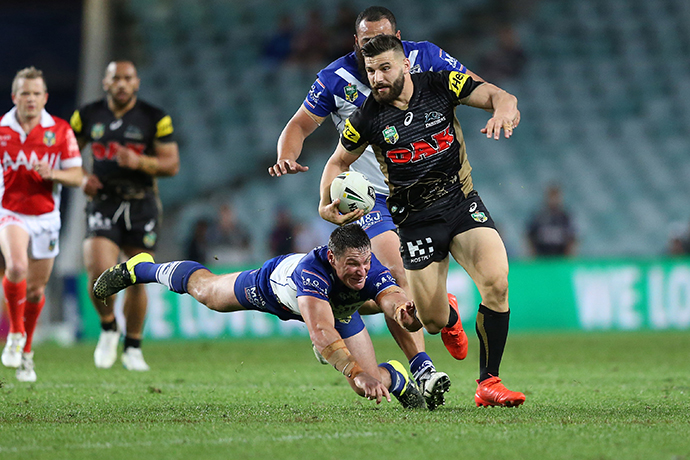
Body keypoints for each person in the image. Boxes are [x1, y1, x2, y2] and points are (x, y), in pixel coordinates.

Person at [270, 6, 472, 409]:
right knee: (395, 272)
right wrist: (287, 155)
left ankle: (443, 312)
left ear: (399, 39)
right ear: (356, 45)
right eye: (365, 44)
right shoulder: (335, 78)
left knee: (398, 288)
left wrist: (499, 103)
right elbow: (299, 125)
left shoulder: (426, 57)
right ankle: (423, 368)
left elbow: (473, 86)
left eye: (384, 41)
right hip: (371, 197)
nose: (374, 50)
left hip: (423, 185)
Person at [318, 34, 526, 408]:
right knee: (428, 322)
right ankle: (447, 315)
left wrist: (504, 108)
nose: (377, 78)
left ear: (406, 66)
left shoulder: (441, 83)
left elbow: (498, 94)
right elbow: (337, 162)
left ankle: (488, 382)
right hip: (415, 221)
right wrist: (324, 205)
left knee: (496, 281)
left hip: (461, 202)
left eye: (385, 68)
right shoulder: (368, 114)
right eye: (370, 71)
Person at [93, 224, 428, 409]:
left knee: (364, 385)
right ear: (332, 257)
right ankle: (142, 268)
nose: (361, 271)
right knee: (208, 294)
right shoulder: (311, 273)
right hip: (274, 289)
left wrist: (406, 314)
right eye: (352, 264)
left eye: (365, 264)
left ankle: (395, 377)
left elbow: (392, 299)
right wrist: (354, 370)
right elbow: (321, 333)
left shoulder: (369, 268)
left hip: (339, 311)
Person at [70, 60, 180, 372]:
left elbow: (171, 165)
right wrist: (81, 178)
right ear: (105, 83)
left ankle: (133, 346)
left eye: (127, 78)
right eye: (115, 78)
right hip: (103, 200)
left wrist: (139, 162)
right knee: (98, 270)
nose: (121, 83)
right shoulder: (86, 115)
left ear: (136, 82)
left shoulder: (154, 117)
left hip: (141, 202)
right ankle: (108, 327)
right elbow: (67, 156)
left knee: (137, 279)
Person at [0, 67, 84, 382]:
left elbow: (77, 176)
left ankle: (27, 352)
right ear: (14, 97)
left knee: (35, 291)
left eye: (36, 93)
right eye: (25, 93)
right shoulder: (2, 130)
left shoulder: (60, 131)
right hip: (11, 212)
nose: (31, 99)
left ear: (45, 97)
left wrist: (53, 174)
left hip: (46, 217)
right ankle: (16, 334)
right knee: (17, 268)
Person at [526, 184, 577, 257]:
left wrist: (569, 255)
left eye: (556, 197)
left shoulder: (565, 218)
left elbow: (572, 238)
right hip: (541, 258)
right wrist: (532, 254)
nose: (554, 200)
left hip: (560, 258)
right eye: (552, 197)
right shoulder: (539, 217)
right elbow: (529, 236)